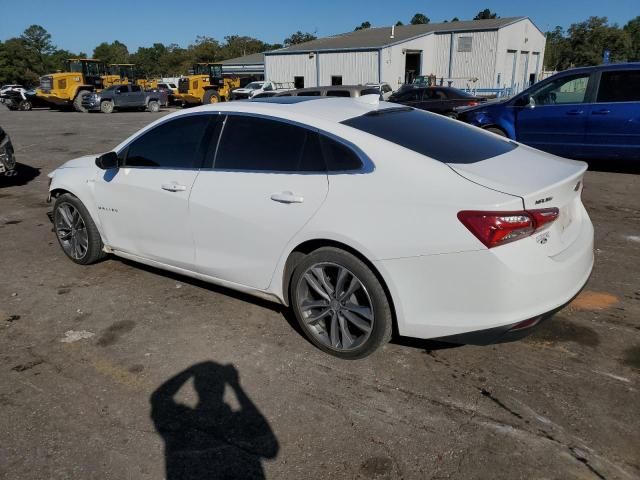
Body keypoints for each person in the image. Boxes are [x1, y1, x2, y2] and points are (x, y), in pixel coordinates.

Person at [151, 361, 279, 480]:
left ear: (196, 388)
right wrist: (236, 386)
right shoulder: (235, 422)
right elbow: (270, 450)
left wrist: (190, 371)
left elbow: (158, 399)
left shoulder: (184, 421)